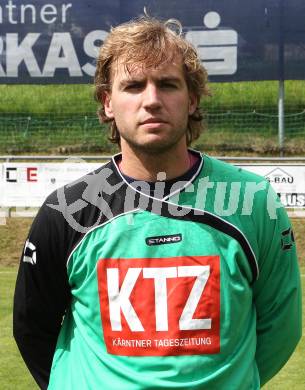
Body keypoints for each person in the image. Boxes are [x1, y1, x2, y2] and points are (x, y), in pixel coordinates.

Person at [14, 16, 302, 390]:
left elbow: (280, 325)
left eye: (168, 84)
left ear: (192, 99)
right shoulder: (66, 210)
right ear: (108, 103)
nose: (151, 100)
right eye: (133, 86)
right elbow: (31, 325)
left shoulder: (253, 201)